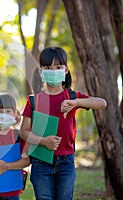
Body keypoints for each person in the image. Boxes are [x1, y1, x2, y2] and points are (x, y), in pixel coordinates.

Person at [20, 46, 107, 200]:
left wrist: (76, 102)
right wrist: (44, 141)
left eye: (58, 67)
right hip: (41, 162)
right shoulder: (34, 101)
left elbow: (102, 103)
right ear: (41, 71)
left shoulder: (72, 96)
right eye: (48, 67)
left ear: (66, 70)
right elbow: (24, 132)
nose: (53, 71)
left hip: (66, 161)